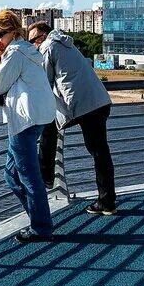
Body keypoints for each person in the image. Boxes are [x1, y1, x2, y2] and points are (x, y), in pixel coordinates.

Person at [29, 22, 117, 215]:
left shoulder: (47, 47)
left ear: (42, 36)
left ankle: (46, 175)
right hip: (99, 101)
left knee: (48, 123)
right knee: (100, 152)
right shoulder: (66, 43)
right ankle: (107, 201)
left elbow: (43, 81)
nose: (32, 45)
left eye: (33, 40)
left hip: (82, 106)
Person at [0, 9, 56, 243]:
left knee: (28, 176)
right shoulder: (27, 51)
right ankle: (39, 219)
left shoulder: (15, 53)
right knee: (11, 175)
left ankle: (41, 227)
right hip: (35, 117)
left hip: (24, 120)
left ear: (13, 32)